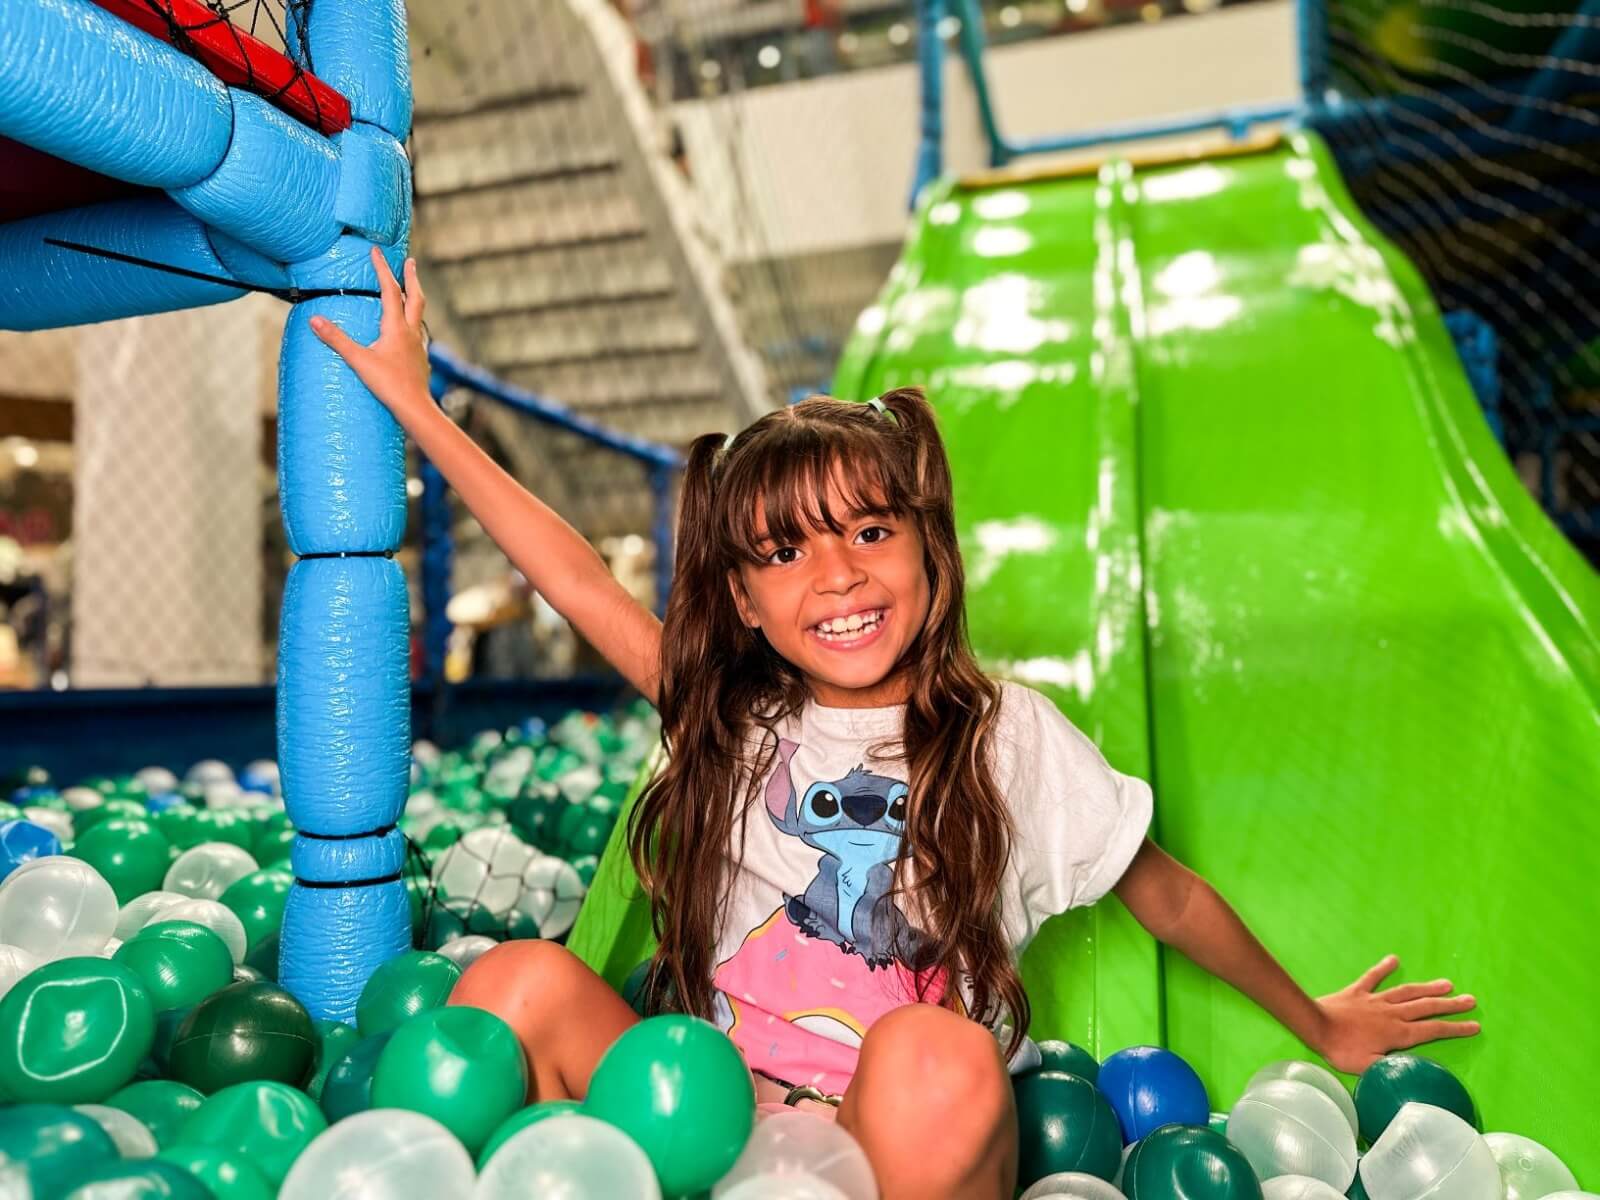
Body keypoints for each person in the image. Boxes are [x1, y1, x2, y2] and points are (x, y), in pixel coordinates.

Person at [311, 249, 1481, 1200]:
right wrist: (418, 407)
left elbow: (1166, 896)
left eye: (870, 532)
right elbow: (573, 578)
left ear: (930, 549)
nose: (836, 576)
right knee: (517, 978)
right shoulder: (733, 721)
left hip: (892, 1147)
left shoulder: (1008, 736)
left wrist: (1317, 1022)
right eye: (784, 552)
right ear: (741, 600)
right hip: (704, 1125)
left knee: (934, 1052)